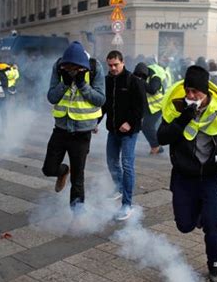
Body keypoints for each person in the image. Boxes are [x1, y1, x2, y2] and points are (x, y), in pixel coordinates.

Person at [157, 65, 217, 282]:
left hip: (211, 177)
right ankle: (199, 214)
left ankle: (214, 264)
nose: (190, 96)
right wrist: (183, 118)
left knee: (213, 223)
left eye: (195, 92)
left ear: (206, 92)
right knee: (184, 225)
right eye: (187, 91)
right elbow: (161, 137)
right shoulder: (176, 108)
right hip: (183, 177)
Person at [42, 41, 105, 211]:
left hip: (82, 132)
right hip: (61, 128)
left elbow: (100, 99)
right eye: (68, 67)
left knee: (78, 178)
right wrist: (65, 83)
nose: (71, 70)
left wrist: (83, 85)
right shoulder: (58, 66)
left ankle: (78, 215)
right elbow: (51, 97)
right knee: (48, 168)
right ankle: (62, 171)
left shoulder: (95, 67)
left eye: (75, 68)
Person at [102, 50, 144, 221]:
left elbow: (141, 107)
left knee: (127, 164)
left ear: (123, 62)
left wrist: (130, 123)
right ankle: (119, 187)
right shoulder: (107, 81)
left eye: (115, 65)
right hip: (112, 130)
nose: (113, 68)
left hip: (129, 132)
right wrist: (95, 122)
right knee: (111, 161)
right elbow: (104, 105)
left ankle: (127, 204)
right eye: (110, 65)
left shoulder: (134, 81)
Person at [134, 62, 164, 155]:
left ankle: (156, 146)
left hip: (157, 107)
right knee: (144, 126)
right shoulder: (138, 77)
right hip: (147, 107)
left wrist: (140, 82)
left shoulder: (155, 78)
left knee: (148, 126)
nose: (140, 77)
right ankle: (156, 146)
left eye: (142, 76)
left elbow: (152, 90)